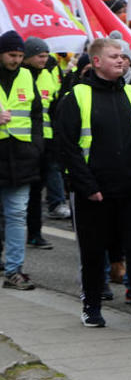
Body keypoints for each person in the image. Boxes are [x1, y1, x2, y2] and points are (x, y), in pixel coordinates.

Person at [56, 37, 131, 329]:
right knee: (94, 253)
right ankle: (92, 306)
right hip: (96, 191)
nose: (122, 60)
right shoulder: (77, 96)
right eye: (114, 56)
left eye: (123, 56)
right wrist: (86, 186)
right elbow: (66, 147)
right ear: (96, 62)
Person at [0, 31, 42, 289]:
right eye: (11, 55)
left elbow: (36, 114)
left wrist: (36, 146)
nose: (16, 60)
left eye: (19, 55)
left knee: (16, 215)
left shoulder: (27, 76)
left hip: (21, 158)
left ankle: (14, 270)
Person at [21, 36, 61, 248]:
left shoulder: (50, 74)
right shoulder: (18, 75)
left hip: (45, 142)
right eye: (40, 55)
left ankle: (35, 234)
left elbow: (54, 106)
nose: (44, 59)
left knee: (36, 191)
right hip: (19, 141)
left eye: (46, 55)